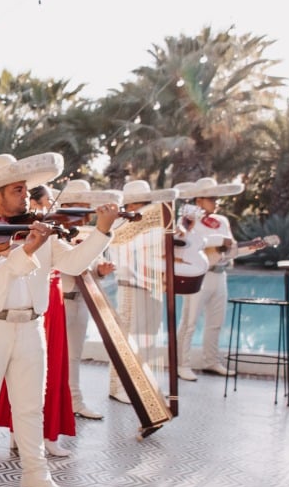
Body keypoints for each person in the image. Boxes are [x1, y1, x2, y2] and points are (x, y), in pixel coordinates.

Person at [0, 154, 119, 487]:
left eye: (26, 189)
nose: (27, 196)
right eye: (18, 189)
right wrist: (24, 250)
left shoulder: (40, 227)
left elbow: (73, 262)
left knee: (30, 408)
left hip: (31, 327)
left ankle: (36, 476)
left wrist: (102, 231)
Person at [0, 184, 77, 457]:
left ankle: (42, 435)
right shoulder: (4, 228)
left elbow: (72, 262)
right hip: (31, 306)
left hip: (48, 301)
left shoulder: (43, 230)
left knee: (46, 372)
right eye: (46, 200)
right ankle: (27, 434)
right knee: (36, 374)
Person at [106, 180, 178, 402]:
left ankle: (142, 383)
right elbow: (126, 253)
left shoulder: (152, 227)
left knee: (148, 339)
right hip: (130, 288)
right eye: (139, 204)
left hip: (152, 287)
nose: (144, 209)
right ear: (129, 206)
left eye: (147, 204)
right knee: (127, 339)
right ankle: (119, 388)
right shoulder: (118, 227)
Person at [54, 180, 119, 419]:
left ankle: (75, 402)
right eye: (80, 207)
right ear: (67, 206)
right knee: (50, 359)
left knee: (74, 356)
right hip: (57, 302)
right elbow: (68, 266)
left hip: (80, 301)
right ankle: (48, 407)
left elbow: (88, 270)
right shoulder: (54, 233)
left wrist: (100, 271)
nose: (85, 214)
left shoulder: (90, 235)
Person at [175, 176, 243, 377]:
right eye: (212, 198)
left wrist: (234, 248)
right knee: (189, 321)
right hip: (198, 275)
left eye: (216, 199)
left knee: (216, 322)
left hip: (219, 274)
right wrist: (211, 242)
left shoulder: (223, 221)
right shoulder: (187, 221)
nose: (216, 203)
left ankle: (211, 361)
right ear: (199, 201)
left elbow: (232, 248)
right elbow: (184, 245)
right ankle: (182, 364)